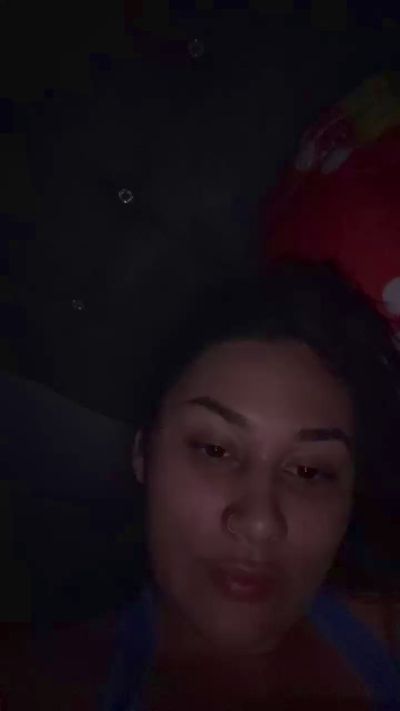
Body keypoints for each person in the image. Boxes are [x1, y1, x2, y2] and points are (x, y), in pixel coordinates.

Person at [6, 260, 400, 710]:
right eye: (214, 450)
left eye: (309, 471)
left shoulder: (386, 633)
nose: (259, 523)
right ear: (144, 454)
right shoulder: (39, 685)